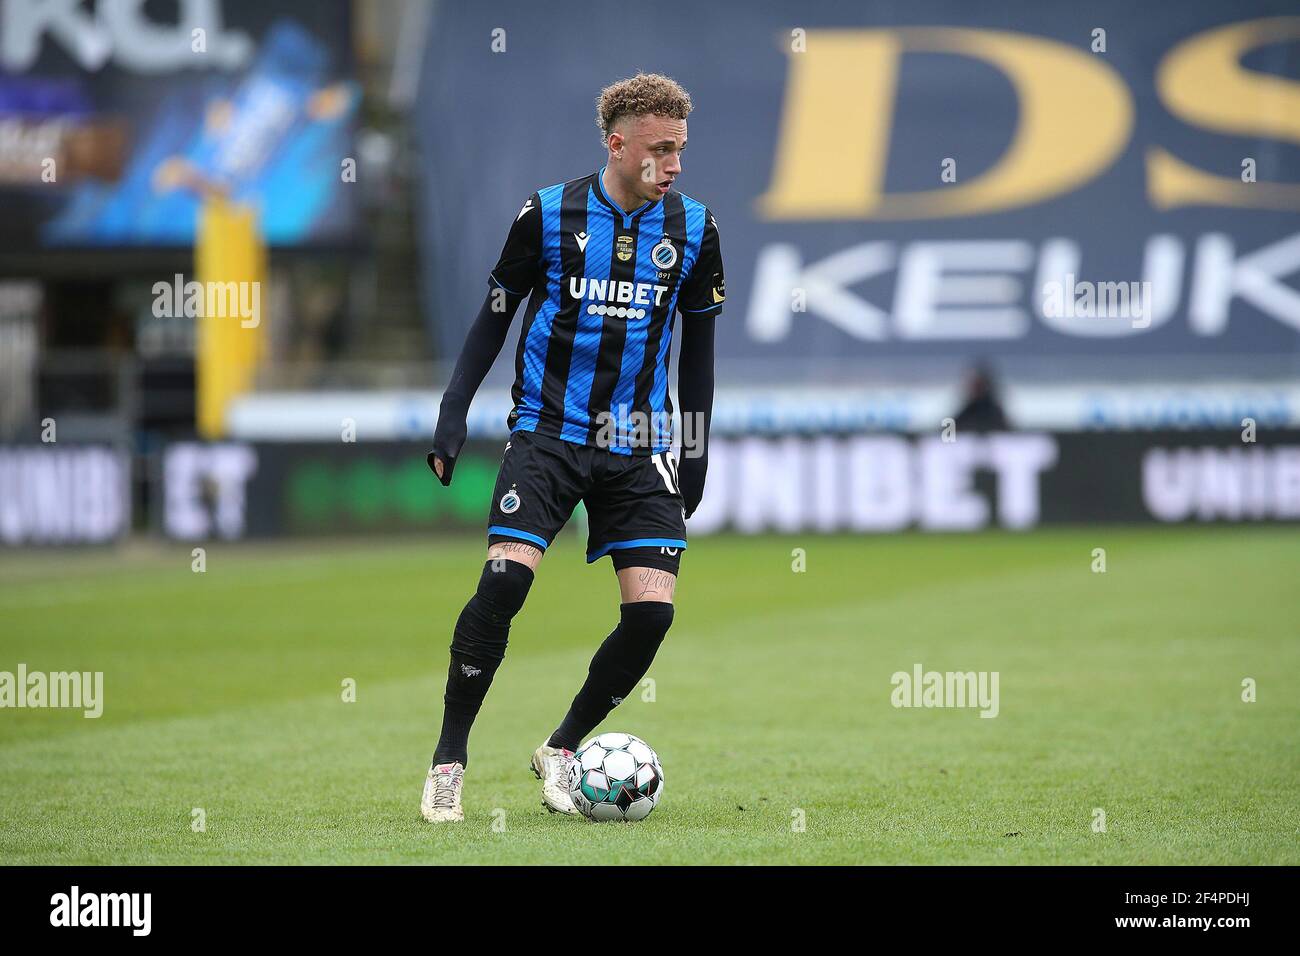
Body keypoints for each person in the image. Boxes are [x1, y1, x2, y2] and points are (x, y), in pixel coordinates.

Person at [420, 73, 724, 822]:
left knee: (652, 614)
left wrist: (695, 446)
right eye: (660, 150)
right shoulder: (548, 215)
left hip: (637, 442)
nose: (674, 165)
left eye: (680, 150)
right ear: (617, 144)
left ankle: (560, 746)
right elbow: (496, 313)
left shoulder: (696, 230)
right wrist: (453, 410)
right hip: (548, 433)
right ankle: (449, 757)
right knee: (504, 584)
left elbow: (699, 353)